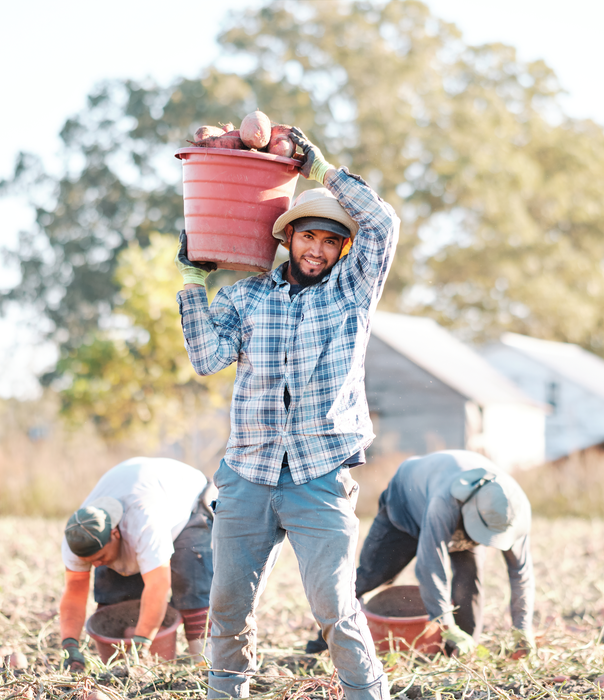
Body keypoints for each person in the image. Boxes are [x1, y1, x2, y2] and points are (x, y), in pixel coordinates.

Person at [175, 127, 399, 700]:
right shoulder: (246, 297)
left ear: (342, 249)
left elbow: (384, 225)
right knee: (228, 604)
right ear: (289, 237)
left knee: (333, 603)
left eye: (330, 241)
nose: (318, 250)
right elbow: (207, 357)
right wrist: (194, 284)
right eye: (309, 237)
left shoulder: (351, 292)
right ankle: (227, 692)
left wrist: (323, 171)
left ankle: (367, 693)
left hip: (318, 473)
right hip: (247, 472)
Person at [305, 450, 534, 657]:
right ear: (470, 511)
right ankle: (323, 643)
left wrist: (523, 629)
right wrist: (446, 625)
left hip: (458, 506)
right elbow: (430, 567)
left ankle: (461, 653)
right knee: (373, 574)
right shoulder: (445, 502)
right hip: (406, 502)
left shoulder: (512, 512)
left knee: (469, 580)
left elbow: (520, 574)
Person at [58, 456, 215, 670]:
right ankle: (120, 666)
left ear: (115, 534)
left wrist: (140, 647)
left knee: (191, 586)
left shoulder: (143, 525)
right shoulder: (76, 539)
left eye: (99, 557)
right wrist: (70, 646)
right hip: (133, 486)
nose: (95, 565)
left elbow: (158, 586)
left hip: (187, 501)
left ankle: (206, 665)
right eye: (89, 561)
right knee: (114, 598)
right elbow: (74, 593)